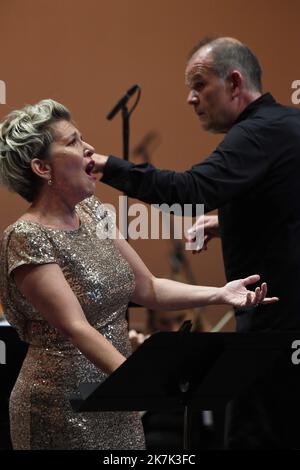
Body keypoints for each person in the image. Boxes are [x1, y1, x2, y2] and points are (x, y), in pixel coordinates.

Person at [0, 99, 274, 450]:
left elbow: (150, 289)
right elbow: (76, 326)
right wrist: (142, 384)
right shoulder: (26, 236)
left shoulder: (94, 213)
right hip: (60, 405)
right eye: (72, 142)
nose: (89, 149)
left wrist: (220, 293)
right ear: (41, 167)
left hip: (117, 395)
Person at [91, 37, 300, 448]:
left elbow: (189, 190)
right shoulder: (289, 125)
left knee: (257, 439)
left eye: (199, 84)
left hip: (278, 326)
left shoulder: (256, 135)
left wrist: (109, 167)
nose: (190, 98)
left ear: (235, 82)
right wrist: (227, 223)